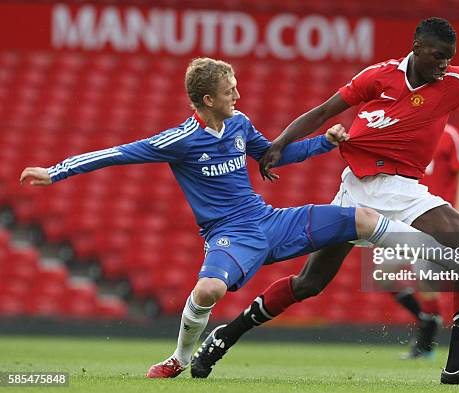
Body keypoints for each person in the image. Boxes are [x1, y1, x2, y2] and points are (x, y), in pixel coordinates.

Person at [191, 18, 459, 386]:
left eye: (449, 58)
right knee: (309, 283)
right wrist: (280, 143)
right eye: (437, 56)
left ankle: (456, 368)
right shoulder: (379, 76)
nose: (444, 65)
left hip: (404, 191)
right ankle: (224, 336)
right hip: (355, 191)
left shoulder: (454, 81)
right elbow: (323, 112)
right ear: (416, 47)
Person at [19, 58, 436, 379]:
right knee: (208, 290)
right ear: (207, 100)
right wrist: (56, 171)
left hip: (268, 221)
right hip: (230, 235)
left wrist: (324, 143)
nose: (238, 96)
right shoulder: (180, 140)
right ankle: (179, 358)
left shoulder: (239, 124)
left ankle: (442, 253)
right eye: (230, 91)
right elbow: (118, 153)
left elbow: (275, 155)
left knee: (361, 218)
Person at [396, 123, 459, 360]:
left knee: (426, 282)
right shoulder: (404, 131)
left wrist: (457, 216)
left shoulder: (449, 134)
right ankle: (427, 322)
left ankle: (426, 338)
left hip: (434, 220)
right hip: (403, 217)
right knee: (385, 273)